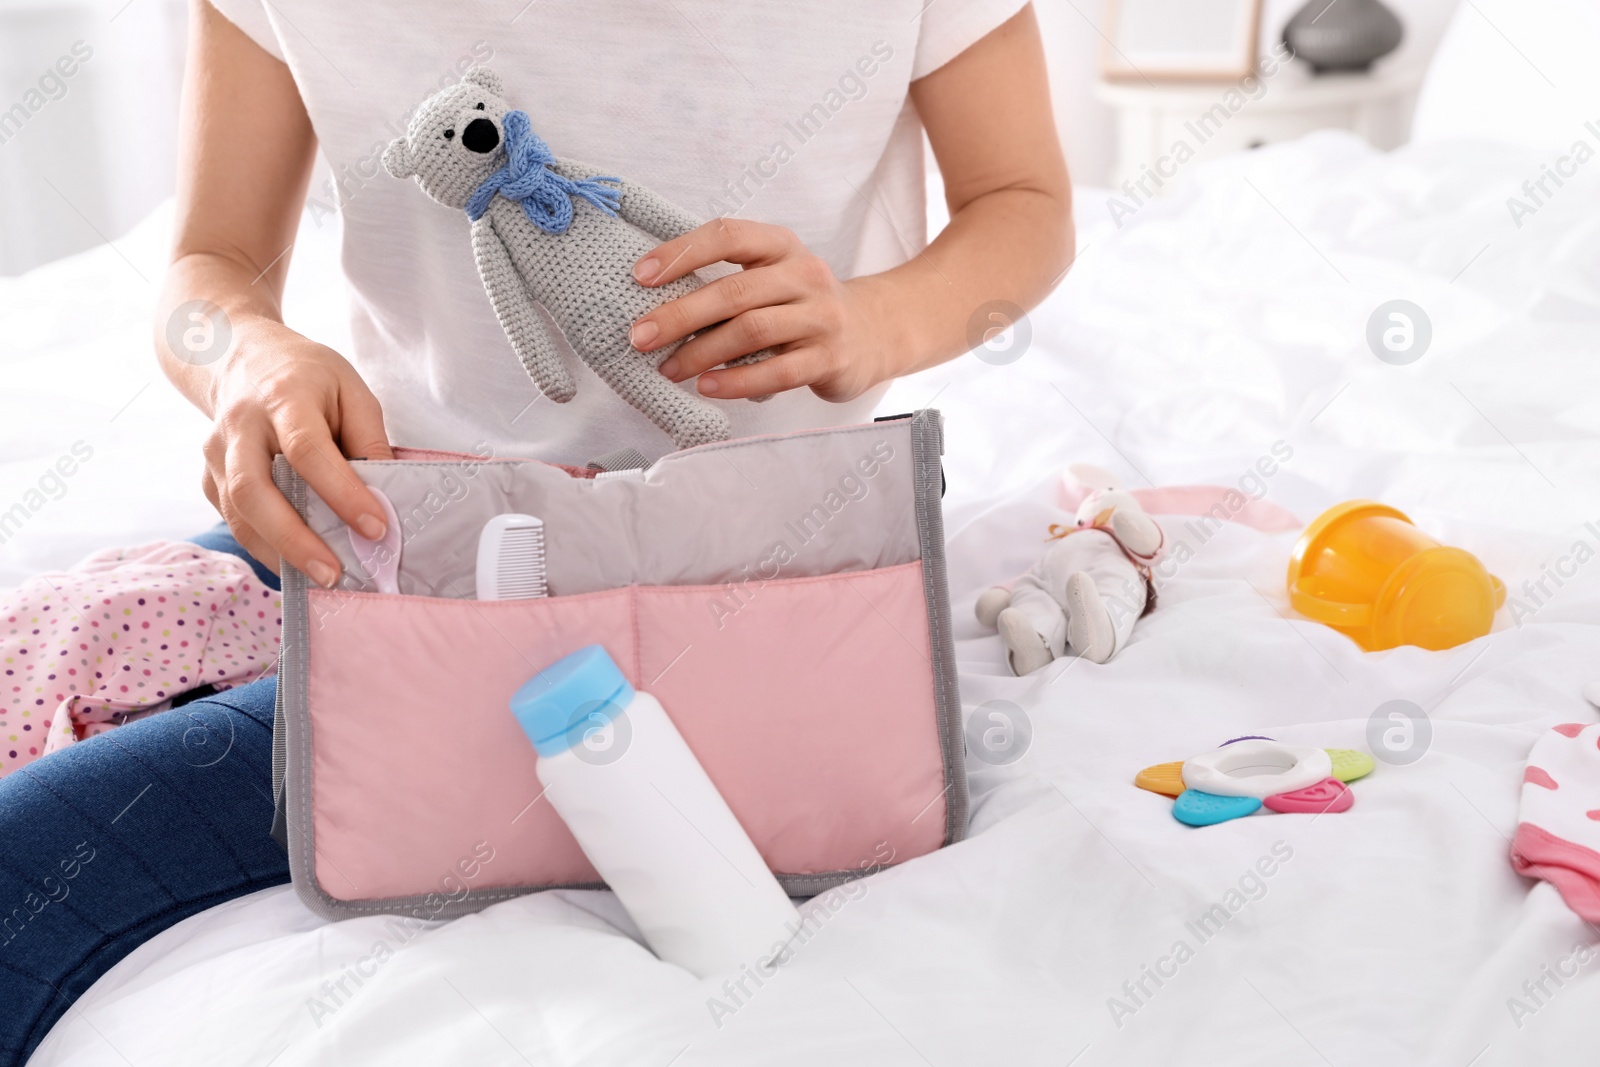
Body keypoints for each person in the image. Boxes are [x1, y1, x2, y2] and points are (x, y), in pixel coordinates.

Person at [0, 1, 1069, 1060]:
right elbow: (208, 262)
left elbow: (1023, 201)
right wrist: (244, 358)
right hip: (399, 525)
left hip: (744, 562)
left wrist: (874, 320)